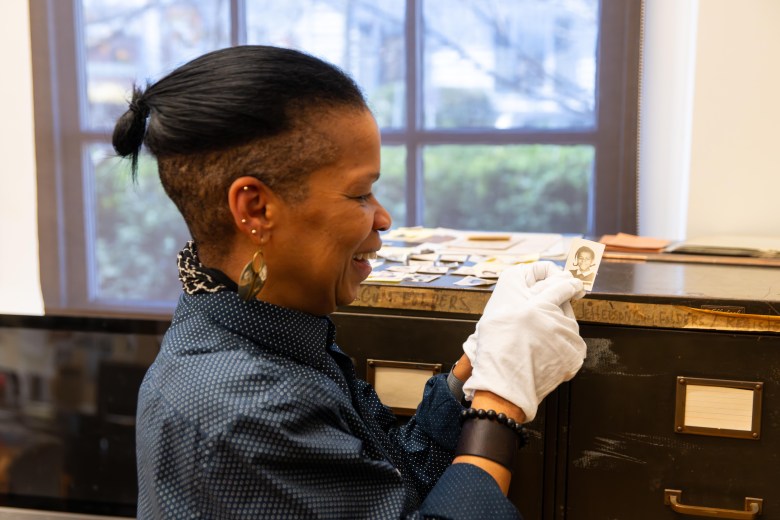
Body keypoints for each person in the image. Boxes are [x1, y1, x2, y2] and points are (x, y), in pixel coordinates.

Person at [113, 45, 587, 519]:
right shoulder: (247, 407)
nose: (383, 218)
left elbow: (385, 484)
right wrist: (499, 405)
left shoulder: (270, 330)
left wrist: (472, 372)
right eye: (360, 193)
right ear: (256, 208)